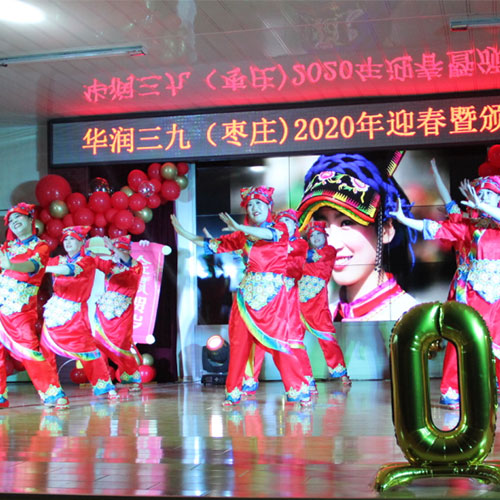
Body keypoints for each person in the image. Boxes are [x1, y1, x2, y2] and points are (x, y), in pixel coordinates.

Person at [171, 186, 311, 406]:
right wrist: (185, 234)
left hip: (272, 298)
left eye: (259, 203)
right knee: (239, 344)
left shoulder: (280, 227)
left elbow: (269, 235)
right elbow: (215, 245)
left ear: (269, 206)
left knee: (279, 344)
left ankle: (296, 388)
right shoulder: (242, 236)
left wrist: (239, 227)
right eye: (250, 204)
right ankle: (233, 391)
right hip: (246, 296)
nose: (254, 208)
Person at [390, 167, 500, 409]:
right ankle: (451, 389)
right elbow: (434, 226)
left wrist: (482, 205)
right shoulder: (469, 228)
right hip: (470, 293)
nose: (483, 199)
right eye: (482, 195)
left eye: (490, 196)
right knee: (461, 336)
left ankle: (494, 385)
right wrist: (404, 219)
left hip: (497, 297)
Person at [297, 151, 417, 322]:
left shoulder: (412, 320)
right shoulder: (318, 319)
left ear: (386, 230)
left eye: (346, 223)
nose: (331, 243)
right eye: (322, 224)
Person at [0, 202, 69, 410]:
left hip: (20, 308)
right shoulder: (7, 247)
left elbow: (33, 266)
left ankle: (52, 393)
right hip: (2, 302)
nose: (14, 222)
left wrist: (12, 265)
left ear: (30, 219)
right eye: (11, 220)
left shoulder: (41, 246)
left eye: (18, 217)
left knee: (29, 350)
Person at [241, 209, 316, 395]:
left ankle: (304, 380)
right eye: (280, 221)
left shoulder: (299, 244)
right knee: (258, 335)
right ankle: (249, 379)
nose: (284, 224)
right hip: (267, 296)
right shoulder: (267, 242)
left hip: (288, 296)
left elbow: (293, 267)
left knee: (293, 339)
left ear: (295, 226)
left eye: (288, 221)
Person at [41, 226, 118, 400]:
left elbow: (70, 269)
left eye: (73, 239)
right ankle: (50, 390)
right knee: (45, 349)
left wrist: (45, 268)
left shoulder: (87, 260)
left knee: (87, 350)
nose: (68, 242)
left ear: (82, 241)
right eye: (66, 239)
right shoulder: (57, 260)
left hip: (75, 312)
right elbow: (37, 264)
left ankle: (104, 385)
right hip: (54, 311)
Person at [298, 220, 350, 384]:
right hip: (298, 303)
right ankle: (303, 377)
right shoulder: (302, 252)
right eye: (312, 236)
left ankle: (341, 374)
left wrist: (293, 248)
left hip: (318, 305)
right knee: (295, 342)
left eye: (319, 234)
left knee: (328, 339)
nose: (316, 238)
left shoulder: (329, 251)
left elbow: (309, 256)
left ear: (325, 236)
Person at [92, 235, 143, 392]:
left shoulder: (135, 267)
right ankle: (102, 381)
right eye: (115, 251)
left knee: (121, 346)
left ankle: (133, 379)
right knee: (98, 345)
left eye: (121, 250)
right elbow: (91, 259)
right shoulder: (110, 266)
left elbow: (127, 260)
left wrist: (114, 248)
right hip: (103, 313)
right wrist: (80, 246)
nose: (116, 254)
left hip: (122, 314)